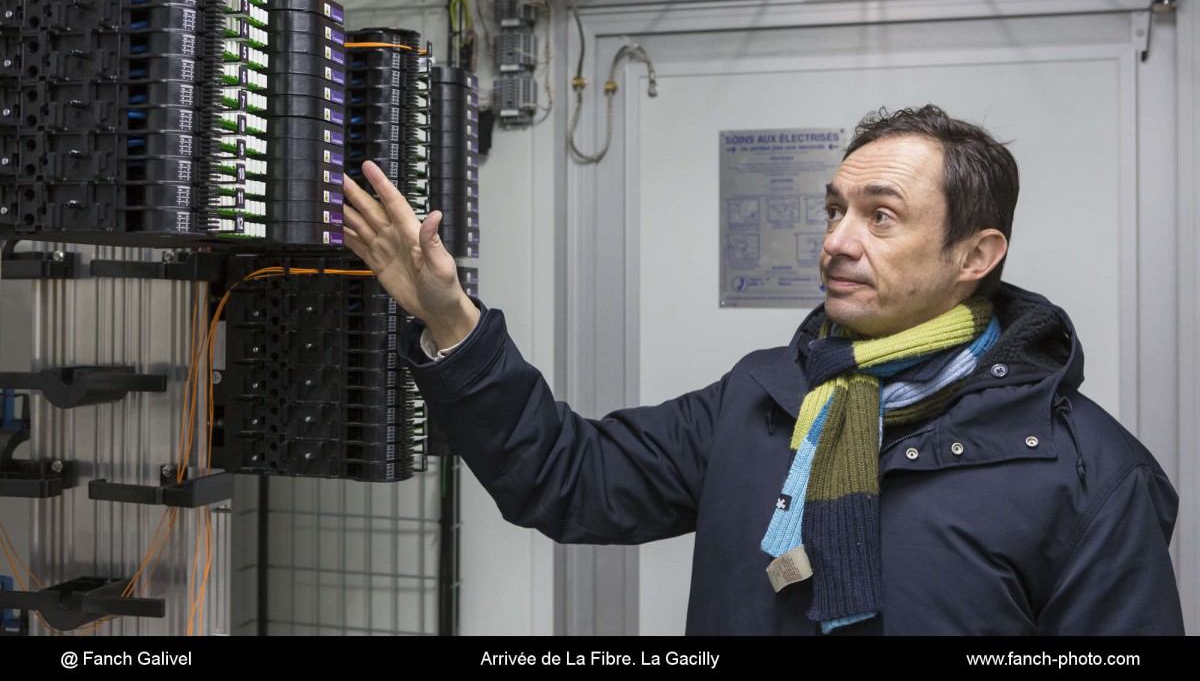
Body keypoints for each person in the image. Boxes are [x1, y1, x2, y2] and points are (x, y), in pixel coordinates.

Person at [342, 104, 1184, 635]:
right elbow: (569, 477)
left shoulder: (1087, 472)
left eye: (879, 216)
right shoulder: (765, 394)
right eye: (833, 210)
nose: (835, 241)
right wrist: (451, 318)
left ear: (976, 253)